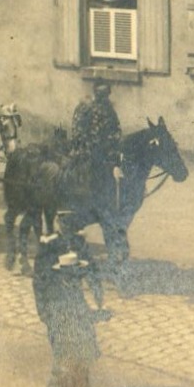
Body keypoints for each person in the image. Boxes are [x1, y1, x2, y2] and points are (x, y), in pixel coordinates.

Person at [33, 245, 103, 387]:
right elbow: (58, 324)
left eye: (77, 274)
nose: (77, 277)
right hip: (69, 349)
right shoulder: (59, 294)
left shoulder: (73, 290)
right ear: (65, 273)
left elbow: (82, 317)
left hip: (80, 348)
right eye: (74, 274)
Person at [70, 78, 126, 260]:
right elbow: (77, 134)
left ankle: (112, 252)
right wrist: (87, 152)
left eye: (107, 94)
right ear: (95, 93)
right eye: (101, 94)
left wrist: (116, 162)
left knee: (110, 205)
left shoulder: (110, 111)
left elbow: (116, 136)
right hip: (86, 160)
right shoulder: (84, 109)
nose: (104, 97)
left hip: (104, 164)